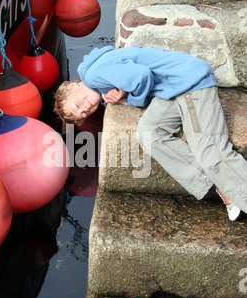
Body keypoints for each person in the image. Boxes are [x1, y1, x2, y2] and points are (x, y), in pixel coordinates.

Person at [54, 45, 247, 221]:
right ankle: (221, 183)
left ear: (72, 85)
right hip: (170, 90)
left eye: (78, 104)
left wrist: (127, 98)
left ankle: (237, 191)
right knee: (149, 133)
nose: (86, 107)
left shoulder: (94, 75)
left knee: (209, 149)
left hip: (189, 81)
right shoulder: (95, 74)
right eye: (84, 113)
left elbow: (141, 76)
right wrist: (123, 93)